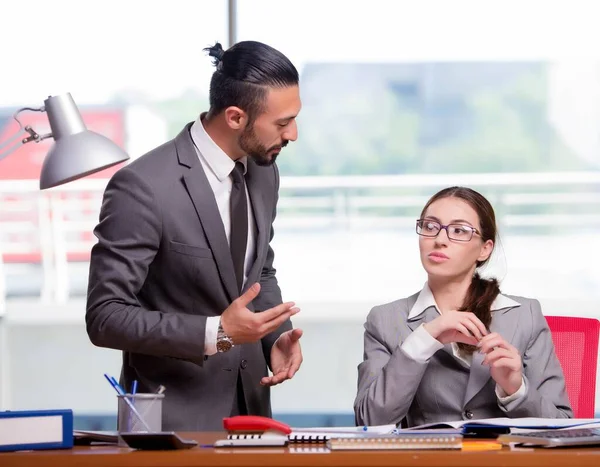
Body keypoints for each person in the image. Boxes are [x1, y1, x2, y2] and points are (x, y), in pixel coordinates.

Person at [86, 41, 304, 431]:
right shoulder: (142, 186)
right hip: (169, 424)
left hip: (253, 415)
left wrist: (275, 337)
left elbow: (259, 272)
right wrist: (216, 333)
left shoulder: (263, 170)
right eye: (282, 122)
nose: (294, 134)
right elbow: (105, 316)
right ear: (236, 117)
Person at [354, 186, 572, 427]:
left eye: (459, 230)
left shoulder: (525, 315)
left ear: (484, 249)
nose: (439, 240)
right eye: (430, 227)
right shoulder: (385, 320)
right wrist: (423, 340)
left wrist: (515, 388)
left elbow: (561, 424)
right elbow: (369, 421)